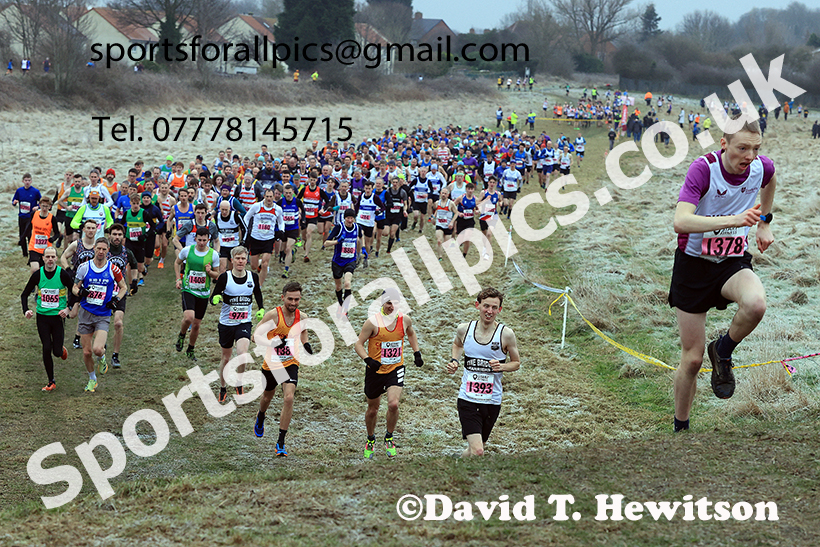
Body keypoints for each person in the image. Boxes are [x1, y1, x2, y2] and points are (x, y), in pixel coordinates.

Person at [669, 115, 776, 432]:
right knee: (691, 359)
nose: (750, 157)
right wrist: (733, 219)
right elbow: (681, 221)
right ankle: (681, 428)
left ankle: (723, 350)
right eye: (742, 148)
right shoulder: (703, 169)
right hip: (693, 266)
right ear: (724, 143)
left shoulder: (760, 167)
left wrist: (765, 220)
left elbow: (771, 179)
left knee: (756, 304)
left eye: (755, 148)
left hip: (731, 262)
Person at [446, 287, 521, 457]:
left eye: (494, 307)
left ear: (500, 310)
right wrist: (454, 360)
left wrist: (502, 366)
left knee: (476, 449)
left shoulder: (506, 334)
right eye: (486, 306)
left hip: (492, 400)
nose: (490, 311)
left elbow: (516, 363)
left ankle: (458, 467)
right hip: (467, 398)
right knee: (479, 451)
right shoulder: (464, 329)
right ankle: (467, 479)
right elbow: (457, 345)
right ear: (477, 306)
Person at [355, 291, 423, 459]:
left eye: (395, 303)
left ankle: (389, 437)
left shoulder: (404, 320)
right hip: (375, 370)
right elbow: (358, 344)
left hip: (396, 368)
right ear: (382, 304)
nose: (392, 307)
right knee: (373, 409)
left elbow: (411, 333)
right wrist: (368, 360)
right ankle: (370, 438)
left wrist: (417, 353)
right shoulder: (372, 323)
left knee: (393, 404)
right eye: (388, 303)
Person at [254, 282, 312, 456]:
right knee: (267, 396)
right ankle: (261, 415)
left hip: (291, 362)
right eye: (290, 299)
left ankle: (280, 442)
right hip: (272, 363)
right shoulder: (273, 316)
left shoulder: (302, 316)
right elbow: (255, 336)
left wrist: (306, 343)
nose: (293, 303)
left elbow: (303, 331)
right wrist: (271, 343)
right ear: (283, 297)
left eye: (297, 299)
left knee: (289, 398)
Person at [73, 237, 128, 392]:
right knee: (86, 351)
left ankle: (102, 357)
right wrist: (80, 291)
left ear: (108, 251)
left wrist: (116, 299)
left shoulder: (113, 269)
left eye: (104, 249)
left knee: (97, 349)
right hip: (86, 313)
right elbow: (74, 287)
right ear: (94, 249)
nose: (101, 252)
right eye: (98, 249)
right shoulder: (84, 267)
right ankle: (92, 379)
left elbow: (124, 287)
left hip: (103, 314)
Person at [210, 246, 265, 403]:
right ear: (232, 260)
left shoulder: (252, 277)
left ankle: (239, 382)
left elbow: (258, 294)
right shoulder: (224, 278)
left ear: (246, 260)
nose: (240, 261)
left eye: (243, 258)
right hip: (226, 324)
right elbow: (214, 296)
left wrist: (261, 308)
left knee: (242, 354)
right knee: (226, 359)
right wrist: (215, 300)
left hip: (244, 322)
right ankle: (222, 387)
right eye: (237, 258)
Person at [21, 246, 73, 391]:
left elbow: (74, 293)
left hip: (58, 317)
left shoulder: (62, 274)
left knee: (56, 352)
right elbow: (24, 294)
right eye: (47, 257)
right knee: (46, 347)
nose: (50, 259)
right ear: (43, 259)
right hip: (42, 317)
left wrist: (67, 309)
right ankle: (51, 381)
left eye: (52, 257)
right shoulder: (38, 275)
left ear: (56, 258)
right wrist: (26, 310)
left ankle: (60, 349)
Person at [175, 227, 220, 361]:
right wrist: (178, 279)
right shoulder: (187, 250)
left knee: (197, 324)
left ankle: (191, 348)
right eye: (199, 240)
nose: (201, 243)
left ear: (208, 240)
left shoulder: (213, 255)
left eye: (204, 240)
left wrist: (209, 272)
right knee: (189, 317)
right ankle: (182, 335)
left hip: (203, 292)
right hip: (188, 288)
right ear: (195, 239)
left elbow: (216, 274)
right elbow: (177, 263)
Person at [106, 224, 139, 368]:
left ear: (123, 237)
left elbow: (135, 265)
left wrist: (135, 281)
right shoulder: (103, 251)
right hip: (102, 292)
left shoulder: (126, 252)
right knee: (100, 323)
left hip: (119, 292)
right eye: (114, 234)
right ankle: (102, 346)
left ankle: (115, 356)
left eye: (120, 234)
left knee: (118, 323)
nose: (117, 237)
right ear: (109, 236)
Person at [244, 188, 284, 286]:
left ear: (274, 197)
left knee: (265, 264)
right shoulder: (257, 206)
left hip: (269, 239)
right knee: (253, 266)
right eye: (267, 196)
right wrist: (246, 230)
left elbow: (281, 221)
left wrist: (281, 230)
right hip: (255, 238)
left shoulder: (277, 209)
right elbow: (246, 217)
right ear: (264, 197)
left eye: (271, 197)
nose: (269, 199)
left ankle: (259, 286)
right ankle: (260, 262)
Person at [326, 209, 360, 313]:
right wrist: (337, 241)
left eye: (352, 218)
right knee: (338, 286)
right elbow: (326, 243)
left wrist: (361, 252)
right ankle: (340, 303)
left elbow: (359, 240)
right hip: (337, 261)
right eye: (348, 218)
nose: (350, 220)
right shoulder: (339, 227)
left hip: (350, 260)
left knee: (347, 283)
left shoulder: (357, 227)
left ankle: (346, 307)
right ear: (344, 218)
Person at [23, 196, 60, 274]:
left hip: (46, 248)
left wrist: (52, 239)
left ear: (50, 207)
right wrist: (23, 238)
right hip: (34, 246)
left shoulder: (52, 218)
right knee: (35, 269)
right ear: (39, 205)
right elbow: (28, 228)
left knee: (44, 270)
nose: (44, 208)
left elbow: (57, 233)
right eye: (43, 206)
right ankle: (32, 285)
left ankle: (42, 285)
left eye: (46, 206)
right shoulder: (34, 214)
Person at [12, 173, 42, 258]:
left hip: (31, 217)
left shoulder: (35, 191)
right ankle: (24, 254)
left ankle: (31, 252)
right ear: (23, 181)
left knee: (29, 235)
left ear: (31, 181)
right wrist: (14, 202)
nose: (27, 182)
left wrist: (38, 207)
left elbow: (42, 202)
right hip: (21, 216)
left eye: (29, 180)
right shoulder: (19, 190)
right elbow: (14, 200)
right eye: (26, 180)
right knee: (22, 235)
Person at [433, 186, 458, 260]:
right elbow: (436, 210)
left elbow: (456, 213)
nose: (443, 195)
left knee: (446, 244)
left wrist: (452, 222)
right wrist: (433, 217)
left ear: (448, 195)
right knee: (439, 241)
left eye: (445, 193)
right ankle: (440, 256)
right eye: (442, 193)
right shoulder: (437, 203)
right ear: (440, 193)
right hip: (439, 225)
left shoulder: (451, 203)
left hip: (448, 226)